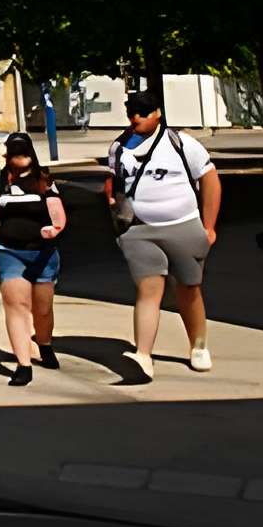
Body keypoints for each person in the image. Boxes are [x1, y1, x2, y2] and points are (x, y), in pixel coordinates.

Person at [104, 89, 221, 380]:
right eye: (131, 112)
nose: (136, 118)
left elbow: (210, 181)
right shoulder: (119, 147)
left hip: (184, 225)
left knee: (188, 288)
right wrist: (114, 207)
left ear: (157, 113)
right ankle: (143, 355)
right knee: (148, 290)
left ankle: (199, 345)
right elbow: (113, 181)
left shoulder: (181, 143)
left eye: (143, 112)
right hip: (139, 230)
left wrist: (208, 226)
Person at [0, 132, 65, 388]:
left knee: (42, 309)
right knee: (16, 306)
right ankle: (23, 365)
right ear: (7, 155)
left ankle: (44, 343)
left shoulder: (44, 180)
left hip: (42, 254)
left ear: (31, 153)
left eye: (24, 152)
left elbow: (57, 210)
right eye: (15, 152)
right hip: (8, 251)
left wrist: (55, 228)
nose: (20, 157)